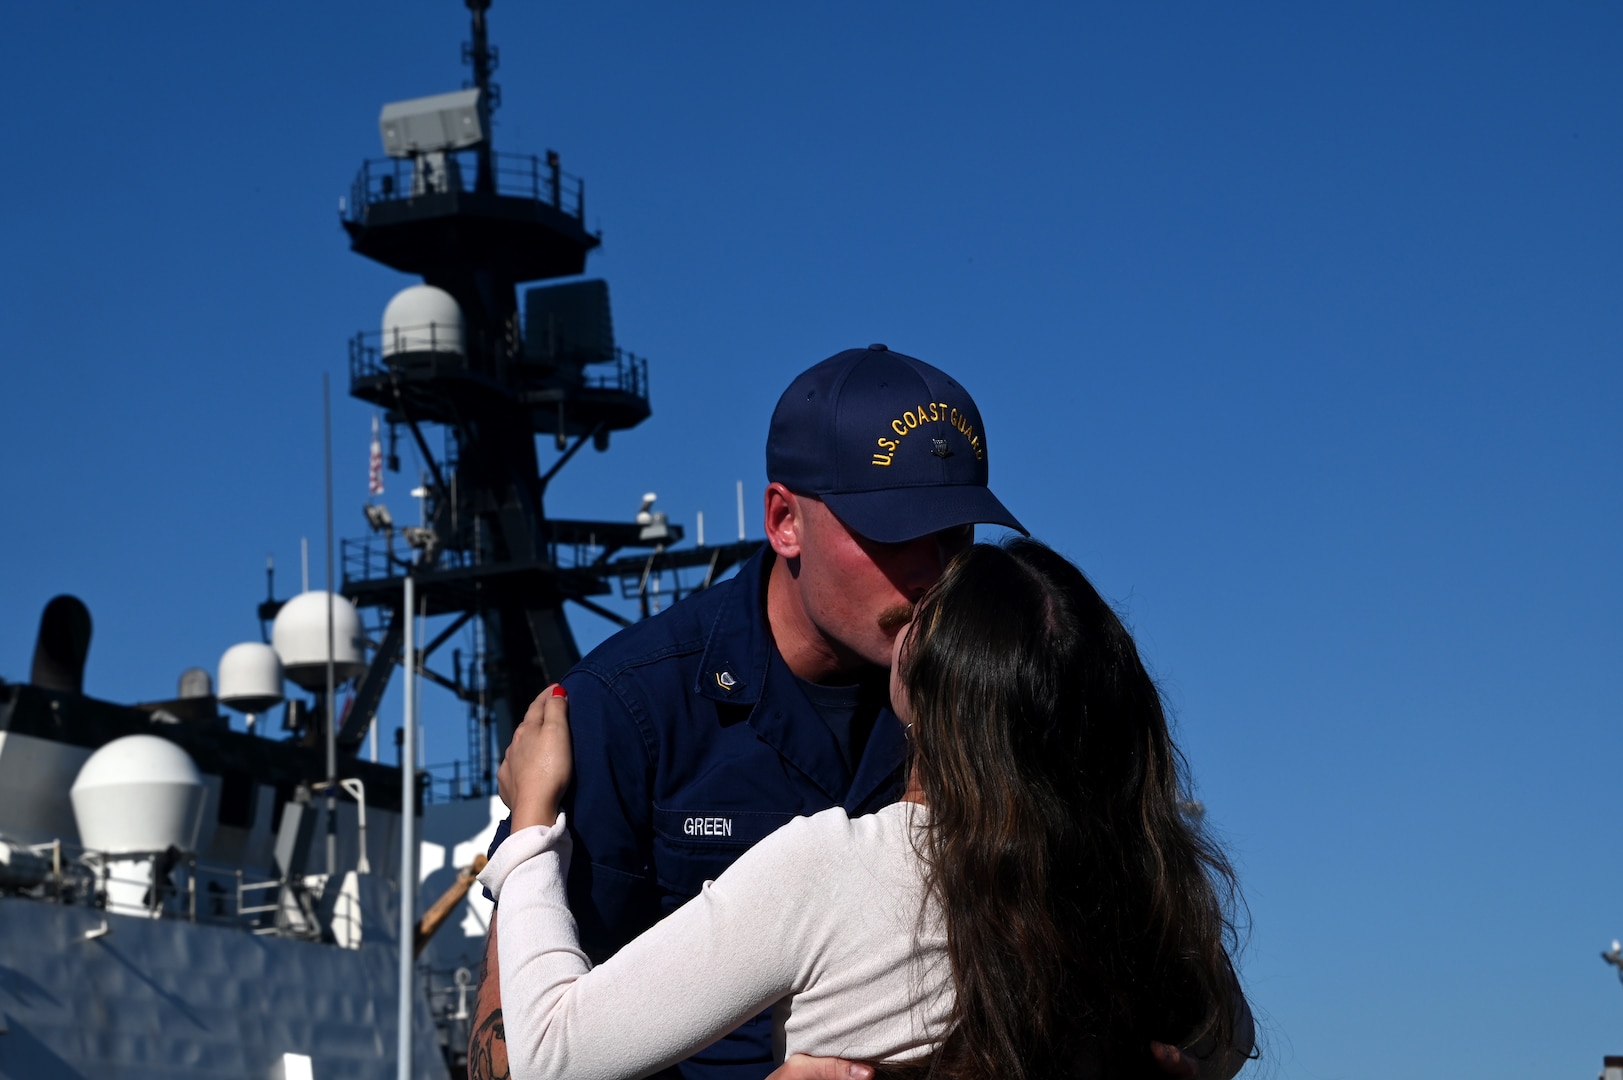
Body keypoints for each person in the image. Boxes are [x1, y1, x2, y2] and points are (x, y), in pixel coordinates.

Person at [481, 539, 1253, 1079]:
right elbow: (1224, 1038)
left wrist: (529, 830)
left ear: (920, 685)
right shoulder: (1142, 880)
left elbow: (550, 1054)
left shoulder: (833, 869)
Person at [471, 344, 1028, 1080]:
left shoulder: (986, 697)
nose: (933, 572)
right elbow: (506, 1059)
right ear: (783, 520)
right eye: (894, 532)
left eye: (953, 536)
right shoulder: (624, 715)